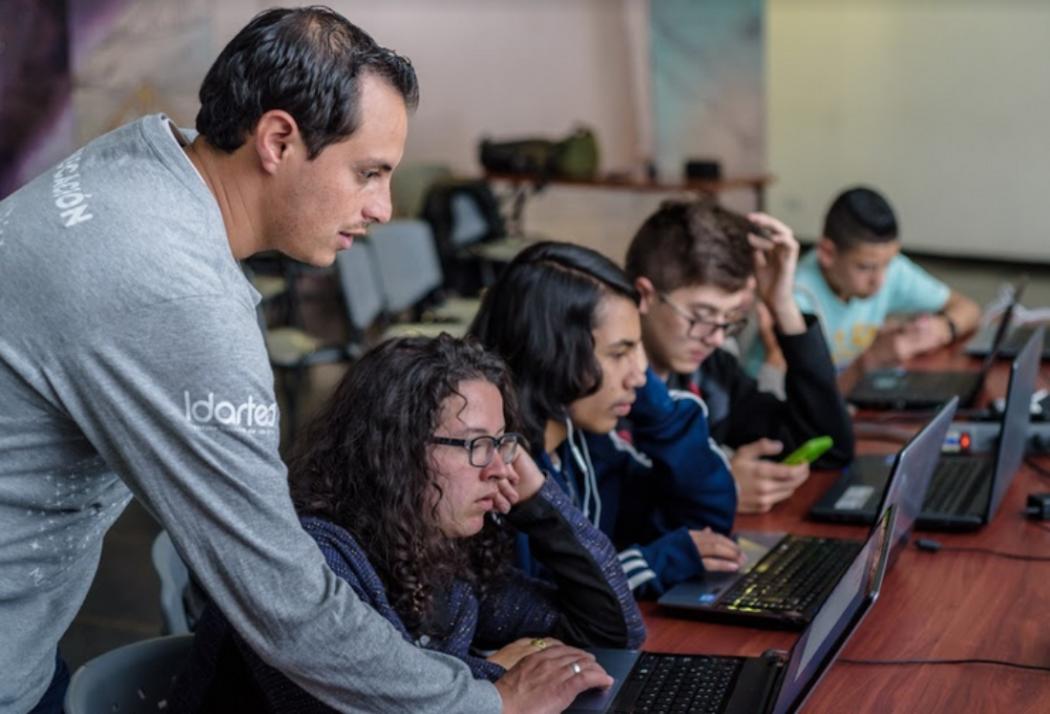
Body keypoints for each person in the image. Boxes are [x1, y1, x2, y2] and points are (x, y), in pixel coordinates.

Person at [0, 7, 606, 713]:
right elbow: (284, 602)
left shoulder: (132, 168)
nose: (382, 208)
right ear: (279, 138)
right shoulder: (173, 292)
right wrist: (486, 704)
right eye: (368, 173)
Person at [176, 335, 644, 710]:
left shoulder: (435, 549)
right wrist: (497, 678)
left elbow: (611, 630)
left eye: (504, 445)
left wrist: (538, 499)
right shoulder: (312, 560)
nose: (501, 469)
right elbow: (374, 699)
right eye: (476, 445)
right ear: (394, 453)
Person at [469, 242, 742, 599]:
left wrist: (654, 407)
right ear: (550, 353)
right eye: (619, 353)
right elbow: (533, 610)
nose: (639, 376)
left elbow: (705, 520)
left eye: (637, 349)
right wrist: (652, 564)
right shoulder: (492, 473)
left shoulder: (581, 446)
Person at [623, 200, 854, 513]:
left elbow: (828, 446)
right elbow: (596, 518)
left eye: (731, 318)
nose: (717, 337)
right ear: (645, 296)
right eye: (701, 315)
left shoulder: (712, 374)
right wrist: (718, 489)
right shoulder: (606, 387)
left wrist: (782, 305)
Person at [754, 186, 981, 394]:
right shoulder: (794, 297)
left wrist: (941, 328)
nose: (881, 281)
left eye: (888, 264)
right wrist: (869, 360)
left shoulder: (887, 269)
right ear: (827, 253)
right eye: (865, 268)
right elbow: (803, 403)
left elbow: (969, 309)